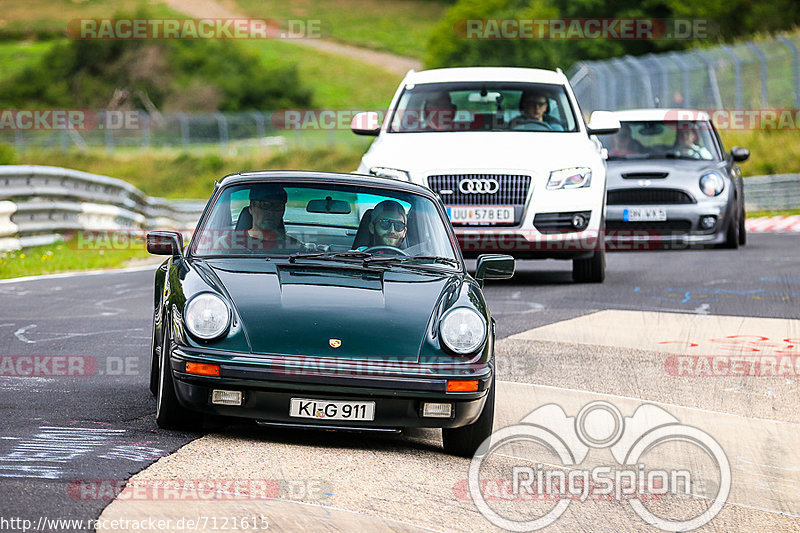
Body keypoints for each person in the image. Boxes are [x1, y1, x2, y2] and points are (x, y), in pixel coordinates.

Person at [244, 184, 303, 250]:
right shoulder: (234, 244)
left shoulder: (295, 246)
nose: (271, 211)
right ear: (251, 207)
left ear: (283, 211)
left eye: (277, 206)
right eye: (264, 205)